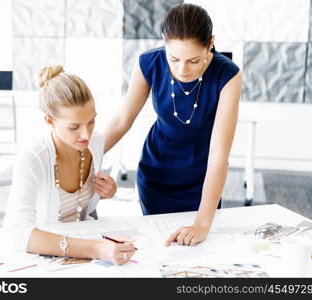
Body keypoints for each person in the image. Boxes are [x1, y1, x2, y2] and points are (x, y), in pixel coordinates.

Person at [104, 4, 242, 247]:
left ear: (210, 43)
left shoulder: (228, 75)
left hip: (203, 180)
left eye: (193, 60)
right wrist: (81, 155)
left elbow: (220, 156)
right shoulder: (149, 63)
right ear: (164, 43)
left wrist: (202, 223)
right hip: (156, 173)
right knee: (160, 249)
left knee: (201, 253)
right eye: (174, 59)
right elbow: (122, 120)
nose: (182, 69)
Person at [4, 65, 136, 265]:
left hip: (86, 251)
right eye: (74, 127)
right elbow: (17, 233)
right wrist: (97, 249)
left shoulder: (95, 143)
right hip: (43, 257)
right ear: (50, 121)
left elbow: (84, 212)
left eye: (91, 122)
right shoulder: (34, 156)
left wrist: (107, 191)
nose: (86, 134)